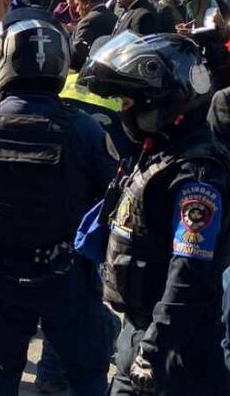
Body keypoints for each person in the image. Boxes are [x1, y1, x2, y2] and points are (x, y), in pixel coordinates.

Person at [0, 9, 117, 395]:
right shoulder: (84, 127)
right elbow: (111, 204)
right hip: (67, 275)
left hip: (3, 273)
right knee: (87, 380)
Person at [79, 33, 230, 396]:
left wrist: (154, 348)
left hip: (178, 349)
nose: (122, 110)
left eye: (128, 100)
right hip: (139, 329)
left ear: (158, 100)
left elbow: (189, 271)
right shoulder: (158, 154)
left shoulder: (196, 173)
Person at [70, 0, 117, 70]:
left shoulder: (87, 22)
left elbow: (77, 54)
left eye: (77, 5)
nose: (77, 10)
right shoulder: (114, 17)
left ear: (86, 3)